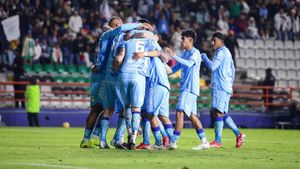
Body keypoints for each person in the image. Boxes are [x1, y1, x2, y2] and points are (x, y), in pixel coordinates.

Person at [164, 30, 210, 150]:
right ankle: (204, 141)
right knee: (192, 116)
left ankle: (173, 142)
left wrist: (174, 56)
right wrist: (163, 71)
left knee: (180, 112)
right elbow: (175, 68)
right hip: (186, 88)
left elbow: (189, 64)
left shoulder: (195, 53)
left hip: (189, 88)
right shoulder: (184, 53)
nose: (181, 41)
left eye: (183, 39)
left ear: (190, 40)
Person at [201, 32, 246, 148]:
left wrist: (204, 57)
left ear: (221, 41)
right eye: (211, 40)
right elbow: (233, 69)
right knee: (219, 112)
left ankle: (218, 141)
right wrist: (230, 85)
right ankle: (237, 134)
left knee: (219, 112)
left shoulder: (221, 52)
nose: (212, 43)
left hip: (220, 87)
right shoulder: (226, 52)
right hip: (223, 86)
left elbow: (212, 67)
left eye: (214, 40)